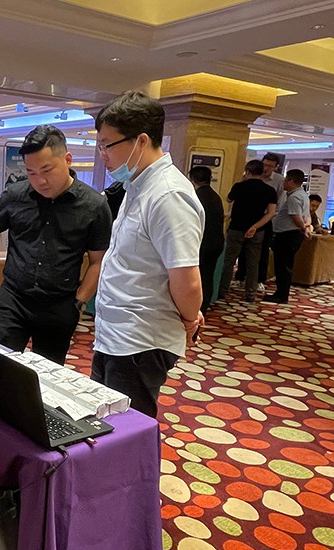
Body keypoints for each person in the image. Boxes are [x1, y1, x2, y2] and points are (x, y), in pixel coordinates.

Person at [92, 90, 204, 418]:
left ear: (141, 141)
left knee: (127, 431)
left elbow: (187, 280)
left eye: (107, 145)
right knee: (104, 425)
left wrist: (189, 319)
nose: (102, 155)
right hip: (116, 335)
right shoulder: (138, 185)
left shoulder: (168, 195)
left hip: (140, 340)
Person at [0, 125, 112, 365]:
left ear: (67, 159)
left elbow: (98, 261)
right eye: (31, 172)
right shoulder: (15, 195)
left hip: (59, 306)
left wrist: (79, 301)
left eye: (47, 170)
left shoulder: (94, 205)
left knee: (48, 374)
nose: (40, 180)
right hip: (13, 299)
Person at [216, 160, 277, 303]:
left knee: (229, 261)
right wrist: (255, 226)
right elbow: (271, 213)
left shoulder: (239, 187)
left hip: (236, 228)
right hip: (257, 231)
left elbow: (228, 199)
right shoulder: (269, 190)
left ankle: (222, 291)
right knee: (253, 263)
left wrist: (241, 180)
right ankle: (250, 293)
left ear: (247, 171)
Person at [265, 169, 310, 304]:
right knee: (285, 266)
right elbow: (307, 216)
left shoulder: (294, 197)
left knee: (283, 267)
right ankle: (281, 293)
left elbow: (296, 217)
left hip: (287, 235)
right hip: (291, 235)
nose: (283, 182)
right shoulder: (303, 195)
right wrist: (306, 227)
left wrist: (303, 228)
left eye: (286, 179)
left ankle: (281, 295)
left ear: (291, 181)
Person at [188, 166, 224, 312]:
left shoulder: (195, 197)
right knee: (208, 276)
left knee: (196, 277)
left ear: (193, 180)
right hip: (217, 243)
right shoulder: (216, 196)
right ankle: (204, 306)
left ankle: (195, 308)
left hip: (203, 243)